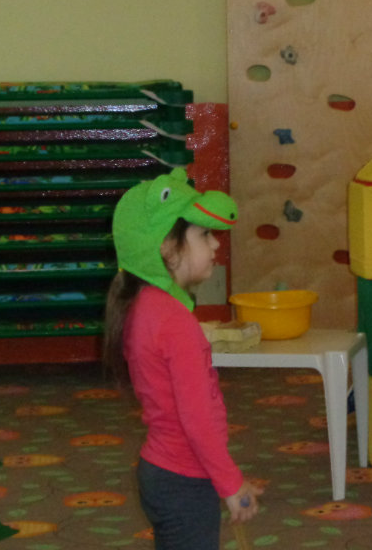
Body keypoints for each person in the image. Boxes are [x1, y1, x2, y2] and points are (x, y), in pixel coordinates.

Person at [103, 168, 261, 550]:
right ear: (167, 249)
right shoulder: (175, 323)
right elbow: (197, 418)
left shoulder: (143, 306)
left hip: (162, 471)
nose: (216, 244)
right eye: (203, 234)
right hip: (184, 478)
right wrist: (230, 482)